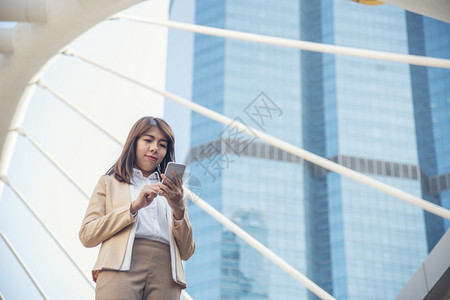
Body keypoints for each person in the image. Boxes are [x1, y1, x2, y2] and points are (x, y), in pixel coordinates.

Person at [79, 116, 195, 300]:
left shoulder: (173, 191)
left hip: (166, 273)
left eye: (162, 144)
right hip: (120, 267)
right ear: (133, 143)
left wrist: (179, 209)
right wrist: (133, 207)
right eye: (148, 140)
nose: (155, 148)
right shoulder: (109, 183)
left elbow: (187, 251)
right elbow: (87, 235)